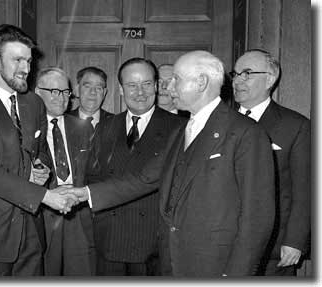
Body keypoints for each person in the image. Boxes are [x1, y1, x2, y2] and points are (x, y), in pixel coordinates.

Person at [63, 50, 276, 276]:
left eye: (177, 79)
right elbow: (144, 179)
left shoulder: (245, 132)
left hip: (216, 265)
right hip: (175, 260)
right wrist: (85, 193)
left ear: (201, 82)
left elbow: (257, 217)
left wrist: (237, 274)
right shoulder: (182, 131)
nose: (168, 87)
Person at [0, 24, 77, 276]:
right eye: (18, 60)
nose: (26, 69)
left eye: (29, 61)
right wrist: (46, 196)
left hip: (31, 231)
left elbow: (40, 151)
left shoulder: (33, 103)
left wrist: (41, 168)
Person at [86, 58, 185, 275]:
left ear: (157, 86)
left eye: (147, 84)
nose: (140, 92)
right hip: (110, 240)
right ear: (121, 90)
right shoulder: (105, 126)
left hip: (154, 244)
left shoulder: (179, 127)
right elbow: (92, 176)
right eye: (132, 85)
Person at [232, 49, 311, 276]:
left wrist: (295, 240)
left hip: (273, 247)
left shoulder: (295, 126)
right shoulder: (222, 122)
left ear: (270, 78)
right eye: (235, 74)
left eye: (247, 73)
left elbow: (304, 190)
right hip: (225, 243)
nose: (238, 80)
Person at [35, 67, 96, 275]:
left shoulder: (84, 127)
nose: (61, 98)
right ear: (37, 92)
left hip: (78, 215)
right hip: (42, 217)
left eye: (66, 92)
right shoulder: (26, 130)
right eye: (54, 91)